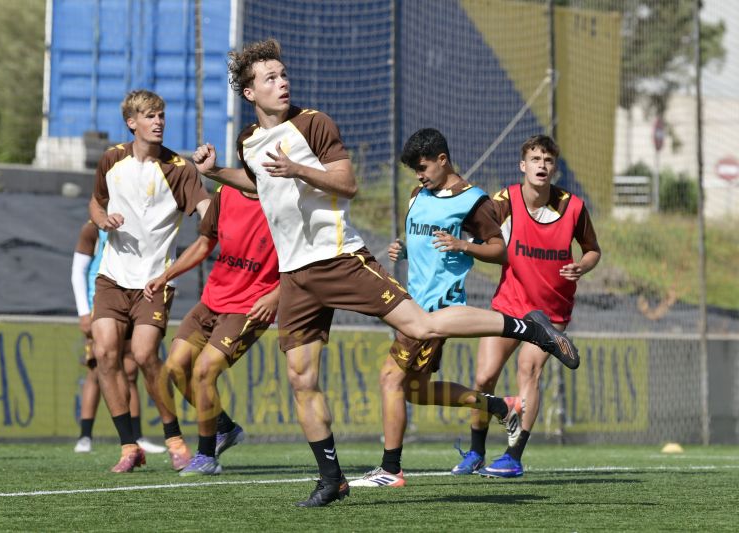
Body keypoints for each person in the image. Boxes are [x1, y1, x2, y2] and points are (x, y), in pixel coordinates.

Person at [193, 39, 579, 507]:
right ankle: (331, 478)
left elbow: (347, 184)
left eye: (283, 73)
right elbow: (258, 182)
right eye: (270, 77)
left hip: (337, 257)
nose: (282, 81)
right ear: (249, 93)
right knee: (300, 377)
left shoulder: (313, 124)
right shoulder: (250, 140)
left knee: (422, 325)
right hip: (293, 274)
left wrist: (298, 168)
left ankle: (528, 328)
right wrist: (217, 174)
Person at [349, 128, 524, 489]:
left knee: (389, 379)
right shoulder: (418, 194)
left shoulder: (473, 201)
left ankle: (390, 469)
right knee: (413, 389)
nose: (419, 174)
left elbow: (500, 250)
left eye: (424, 166)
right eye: (415, 169)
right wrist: (406, 247)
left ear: (443, 160)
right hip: (409, 307)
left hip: (435, 311)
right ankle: (497, 406)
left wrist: (463, 245)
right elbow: (427, 241)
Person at [453, 134, 600, 479]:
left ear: (554, 168)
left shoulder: (573, 207)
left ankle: (513, 456)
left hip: (550, 314)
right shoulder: (507, 200)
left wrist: (584, 265)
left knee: (528, 371)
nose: (542, 166)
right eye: (535, 159)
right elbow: (482, 230)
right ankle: (476, 450)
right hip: (509, 305)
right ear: (523, 166)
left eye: (548, 161)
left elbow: (593, 249)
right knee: (484, 376)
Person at [88, 89, 211, 473]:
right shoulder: (112, 159)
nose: (158, 122)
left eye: (161, 115)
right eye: (150, 116)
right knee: (105, 354)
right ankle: (129, 446)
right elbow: (96, 202)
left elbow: (208, 216)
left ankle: (173, 435)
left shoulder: (180, 169)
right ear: (132, 122)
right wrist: (101, 219)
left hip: (154, 282)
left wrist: (219, 193)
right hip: (112, 277)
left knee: (143, 355)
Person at [145, 184, 280, 476]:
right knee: (176, 367)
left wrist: (276, 295)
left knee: (204, 371)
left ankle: (206, 457)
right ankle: (224, 427)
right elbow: (205, 243)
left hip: (250, 306)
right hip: (212, 300)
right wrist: (165, 276)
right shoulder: (225, 193)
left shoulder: (284, 196)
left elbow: (305, 259)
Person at [70, 220, 166, 455]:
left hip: (134, 299)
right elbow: (78, 270)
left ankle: (136, 436)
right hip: (101, 303)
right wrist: (83, 312)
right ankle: (85, 436)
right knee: (97, 369)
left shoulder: (139, 222)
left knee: (131, 371)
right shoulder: (93, 228)